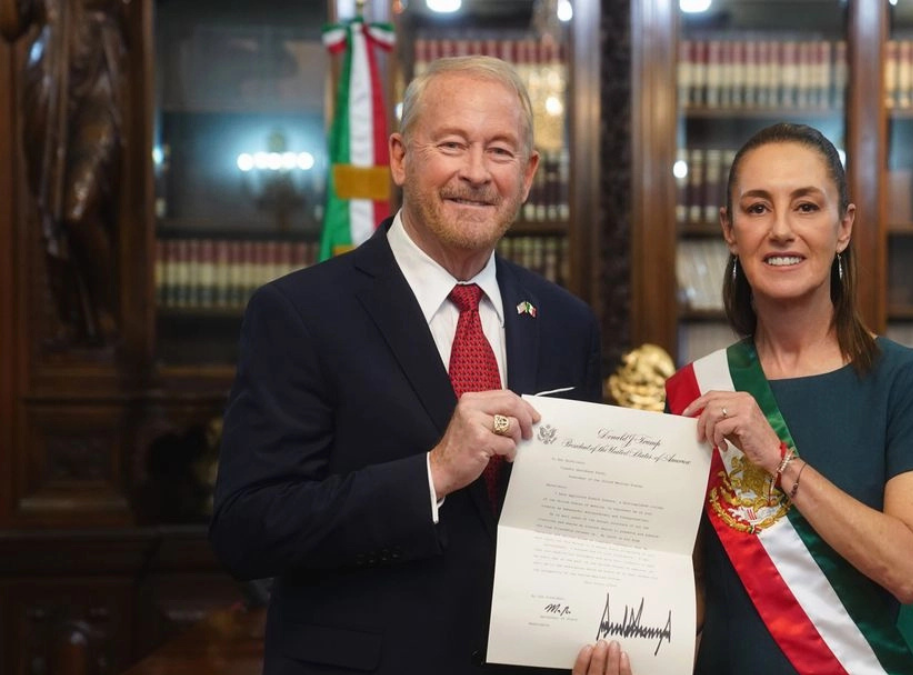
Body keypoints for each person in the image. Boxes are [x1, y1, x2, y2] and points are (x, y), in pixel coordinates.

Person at [210, 56, 629, 675]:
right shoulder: (299, 312)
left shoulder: (567, 323)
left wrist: (603, 628)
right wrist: (430, 474)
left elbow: (572, 521)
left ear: (530, 173)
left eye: (501, 151)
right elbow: (246, 529)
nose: (477, 174)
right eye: (453, 145)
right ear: (401, 158)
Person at [665, 123, 913, 674]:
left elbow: (912, 570)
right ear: (729, 230)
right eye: (757, 209)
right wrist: (627, 643)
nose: (781, 230)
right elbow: (692, 590)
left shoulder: (906, 379)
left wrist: (778, 459)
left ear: (843, 226)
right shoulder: (696, 391)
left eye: (806, 207)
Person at [0, 0, 126, 345]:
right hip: (47, 78)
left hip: (100, 73)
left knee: (78, 209)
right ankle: (70, 317)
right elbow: (11, 26)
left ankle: (108, 311)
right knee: (52, 209)